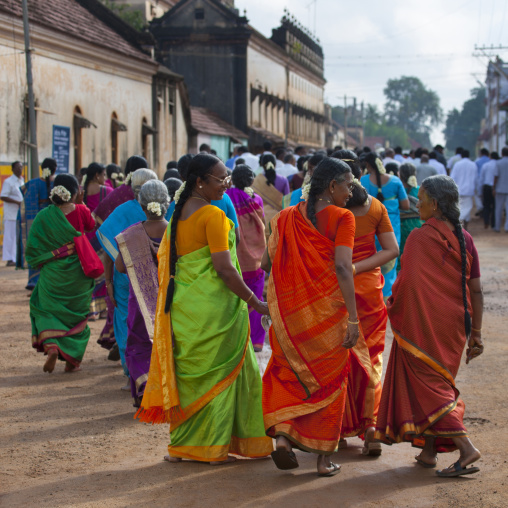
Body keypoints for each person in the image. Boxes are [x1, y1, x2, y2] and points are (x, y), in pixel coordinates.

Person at [136, 154, 273, 464]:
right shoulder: (213, 216)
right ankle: (215, 447)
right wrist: (254, 301)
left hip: (185, 310)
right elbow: (224, 268)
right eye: (220, 179)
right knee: (226, 374)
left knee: (193, 375)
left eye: (227, 178)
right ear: (200, 182)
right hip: (216, 311)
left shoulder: (179, 213)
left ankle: (186, 446)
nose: (226, 184)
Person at [375, 175, 484, 478]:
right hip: (454, 328)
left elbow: (406, 284)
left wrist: (392, 305)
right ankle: (428, 452)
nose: (416, 203)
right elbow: (476, 290)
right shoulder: (465, 238)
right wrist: (475, 332)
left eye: (420, 199)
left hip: (424, 325)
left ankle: (466, 448)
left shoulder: (420, 238)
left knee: (431, 388)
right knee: (438, 383)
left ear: (435, 204)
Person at [261, 157, 360, 476]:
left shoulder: (285, 217)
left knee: (288, 374)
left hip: (290, 316)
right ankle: (323, 458)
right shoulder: (343, 217)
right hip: (327, 317)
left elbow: (266, 263)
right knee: (330, 381)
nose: (352, 190)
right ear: (332, 186)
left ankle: (284, 442)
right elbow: (343, 267)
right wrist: (354, 319)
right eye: (349, 184)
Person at [337, 151, 398, 454]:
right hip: (369, 292)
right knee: (371, 358)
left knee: (338, 360)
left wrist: (348, 268)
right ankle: (371, 426)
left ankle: (335, 428)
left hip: (334, 293)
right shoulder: (374, 206)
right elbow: (392, 249)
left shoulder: (325, 210)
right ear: (360, 174)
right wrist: (360, 267)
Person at [26, 174, 96, 373]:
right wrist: (82, 205)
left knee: (44, 309)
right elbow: (91, 227)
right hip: (78, 276)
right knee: (76, 316)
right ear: (75, 193)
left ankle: (52, 346)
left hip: (53, 275)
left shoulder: (43, 216)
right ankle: (71, 360)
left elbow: (32, 250)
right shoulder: (81, 210)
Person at [96, 169, 158, 380]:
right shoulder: (161, 211)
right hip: (156, 275)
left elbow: (105, 240)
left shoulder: (122, 210)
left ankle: (131, 370)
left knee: (126, 320)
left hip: (124, 275)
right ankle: (154, 369)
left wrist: (111, 275)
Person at [115, 180, 169, 408]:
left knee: (138, 344)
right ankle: (166, 391)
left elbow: (119, 267)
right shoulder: (175, 231)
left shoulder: (131, 234)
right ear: (167, 203)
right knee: (167, 344)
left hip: (140, 303)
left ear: (141, 205)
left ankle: (144, 387)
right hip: (171, 300)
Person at [92, 155, 147, 355]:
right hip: (152, 270)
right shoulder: (156, 203)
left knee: (124, 313)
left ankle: (127, 359)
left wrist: (108, 280)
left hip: (120, 265)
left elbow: (103, 229)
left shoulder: (116, 197)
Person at [226, 165, 266, 352]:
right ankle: (256, 341)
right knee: (256, 298)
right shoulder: (255, 199)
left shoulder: (225, 198)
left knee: (235, 298)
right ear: (250, 181)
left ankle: (237, 339)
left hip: (234, 257)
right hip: (255, 258)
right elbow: (262, 225)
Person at [361, 152, 409, 298]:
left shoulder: (363, 181)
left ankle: (371, 292)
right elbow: (405, 205)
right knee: (390, 261)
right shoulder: (395, 181)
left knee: (370, 260)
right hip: (391, 227)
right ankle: (386, 296)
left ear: (368, 165)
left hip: (369, 227)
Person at [15, 158, 56, 288]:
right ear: (54, 169)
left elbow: (25, 206)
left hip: (36, 224)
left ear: (42, 168)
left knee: (36, 249)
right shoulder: (57, 185)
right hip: (52, 223)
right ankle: (49, 281)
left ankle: (33, 280)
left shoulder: (32, 184)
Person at [82, 163, 113, 320]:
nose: (105, 178)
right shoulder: (106, 191)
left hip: (85, 239)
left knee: (89, 273)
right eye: (104, 175)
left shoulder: (81, 191)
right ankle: (103, 309)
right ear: (97, 176)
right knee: (103, 271)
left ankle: (91, 309)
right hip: (100, 238)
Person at [252, 154, 289, 233]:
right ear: (275, 164)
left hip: (261, 217)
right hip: (278, 217)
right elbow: (287, 200)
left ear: (262, 165)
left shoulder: (256, 180)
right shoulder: (283, 180)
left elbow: (253, 200)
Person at [398, 163, 423, 272]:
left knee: (401, 255)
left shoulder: (397, 189)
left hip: (400, 226)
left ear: (400, 175)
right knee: (417, 255)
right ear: (414, 174)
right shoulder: (420, 190)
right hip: (418, 226)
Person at [1, 161, 24, 267]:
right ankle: (9, 258)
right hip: (11, 213)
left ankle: (15, 258)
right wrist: (17, 202)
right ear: (13, 169)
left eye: (21, 167)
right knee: (10, 237)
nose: (20, 169)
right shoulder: (8, 182)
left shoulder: (22, 180)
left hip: (19, 213)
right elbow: (3, 196)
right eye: (18, 167)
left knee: (16, 237)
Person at [450, 150, 477, 230]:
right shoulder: (473, 165)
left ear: (461, 156)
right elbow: (476, 178)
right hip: (469, 190)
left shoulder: (457, 164)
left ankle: (459, 226)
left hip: (458, 189)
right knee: (467, 209)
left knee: (459, 208)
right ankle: (465, 227)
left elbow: (453, 177)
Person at [479, 151, 499, 229]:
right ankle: (493, 223)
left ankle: (486, 222)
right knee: (495, 206)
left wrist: (480, 190)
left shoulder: (485, 165)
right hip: (495, 187)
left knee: (486, 205)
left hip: (487, 187)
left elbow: (481, 178)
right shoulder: (498, 165)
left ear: (490, 157)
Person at [493, 146, 508, 232]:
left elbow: (496, 176)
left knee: (498, 208)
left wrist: (494, 187)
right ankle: (507, 227)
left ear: (501, 153)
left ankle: (497, 227)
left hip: (500, 188)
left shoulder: (498, 163)